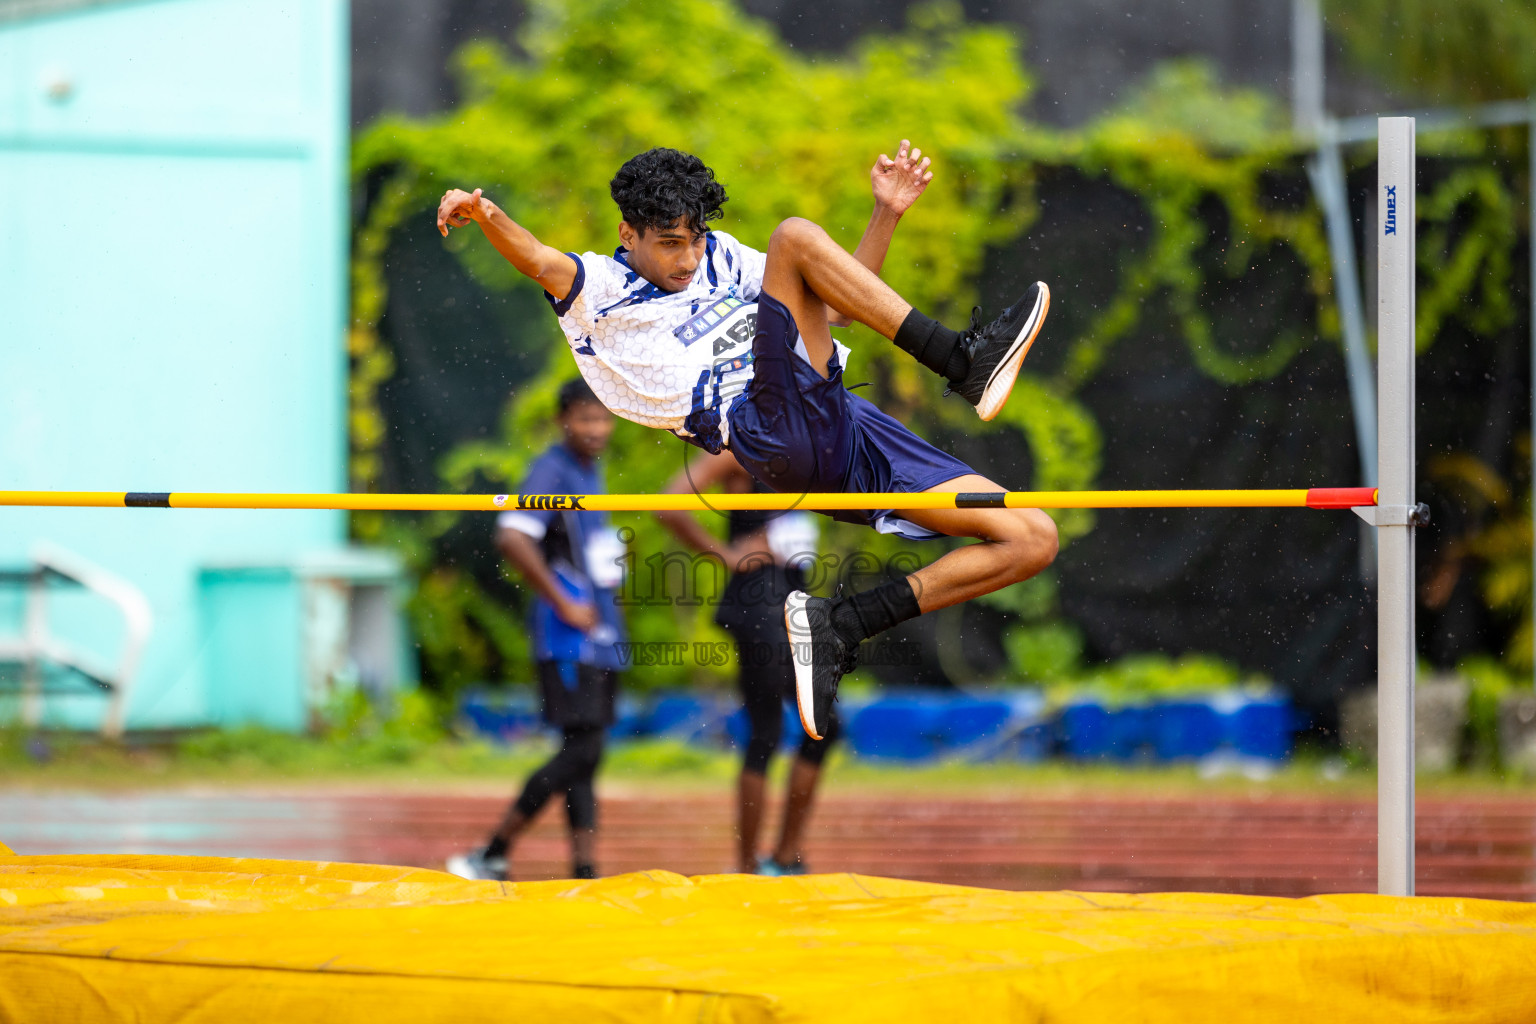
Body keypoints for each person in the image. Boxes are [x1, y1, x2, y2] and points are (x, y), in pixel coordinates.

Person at [436, 138, 1058, 744]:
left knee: (1030, 537)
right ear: (629, 235)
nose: (688, 258)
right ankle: (959, 360)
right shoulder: (596, 289)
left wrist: (884, 214)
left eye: (696, 239)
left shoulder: (721, 257)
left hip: (840, 418)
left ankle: (841, 625)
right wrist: (485, 213)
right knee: (793, 235)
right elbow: (537, 258)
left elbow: (840, 304)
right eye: (671, 244)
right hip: (768, 429)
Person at [447, 379, 627, 882]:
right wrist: (565, 601)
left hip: (601, 635)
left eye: (604, 418)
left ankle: (584, 869)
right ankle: (493, 851)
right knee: (583, 750)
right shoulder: (550, 470)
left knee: (586, 755)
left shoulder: (591, 471)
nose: (597, 429)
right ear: (562, 420)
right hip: (568, 637)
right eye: (585, 418)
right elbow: (512, 536)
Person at [655, 450, 833, 875]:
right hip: (759, 601)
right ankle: (753, 865)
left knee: (817, 727)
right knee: (773, 730)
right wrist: (727, 555)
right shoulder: (737, 448)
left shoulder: (808, 444)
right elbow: (668, 503)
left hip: (791, 597)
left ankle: (782, 856)